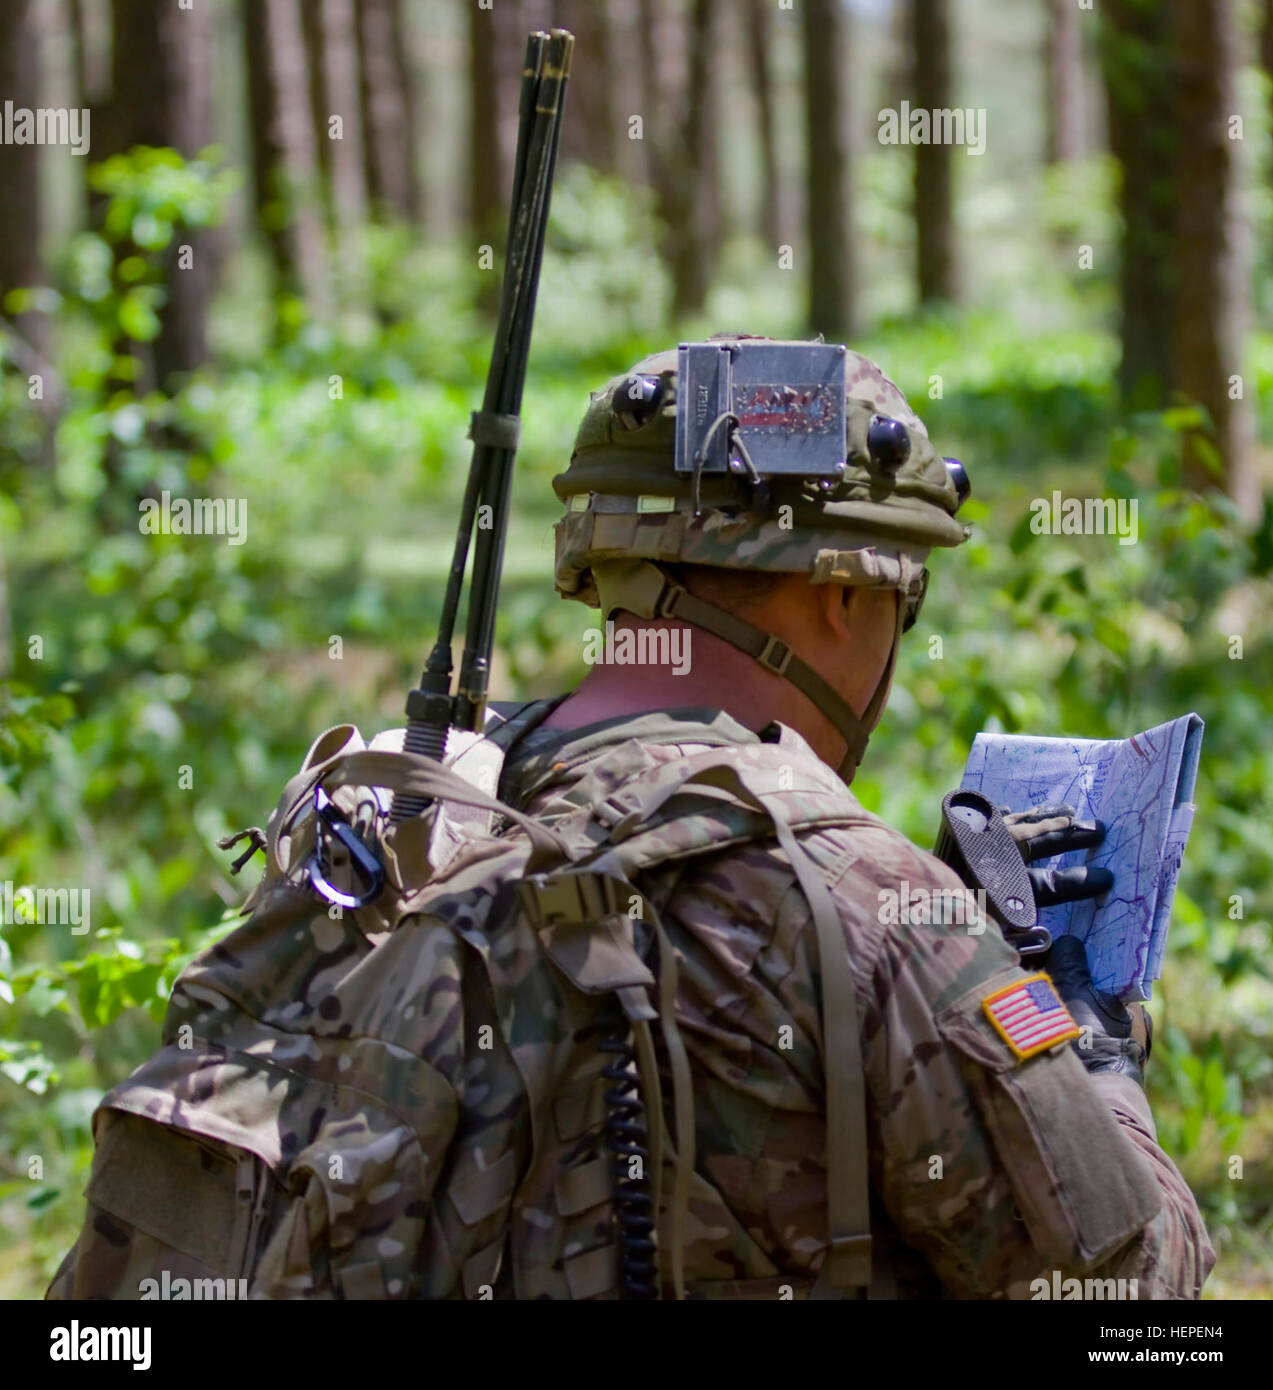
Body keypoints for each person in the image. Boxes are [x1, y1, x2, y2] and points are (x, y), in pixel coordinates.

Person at [479, 335, 1214, 1297]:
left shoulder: (408, 807)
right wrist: (1096, 1064)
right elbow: (1133, 1285)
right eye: (900, 604)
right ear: (840, 594)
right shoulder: (872, 905)